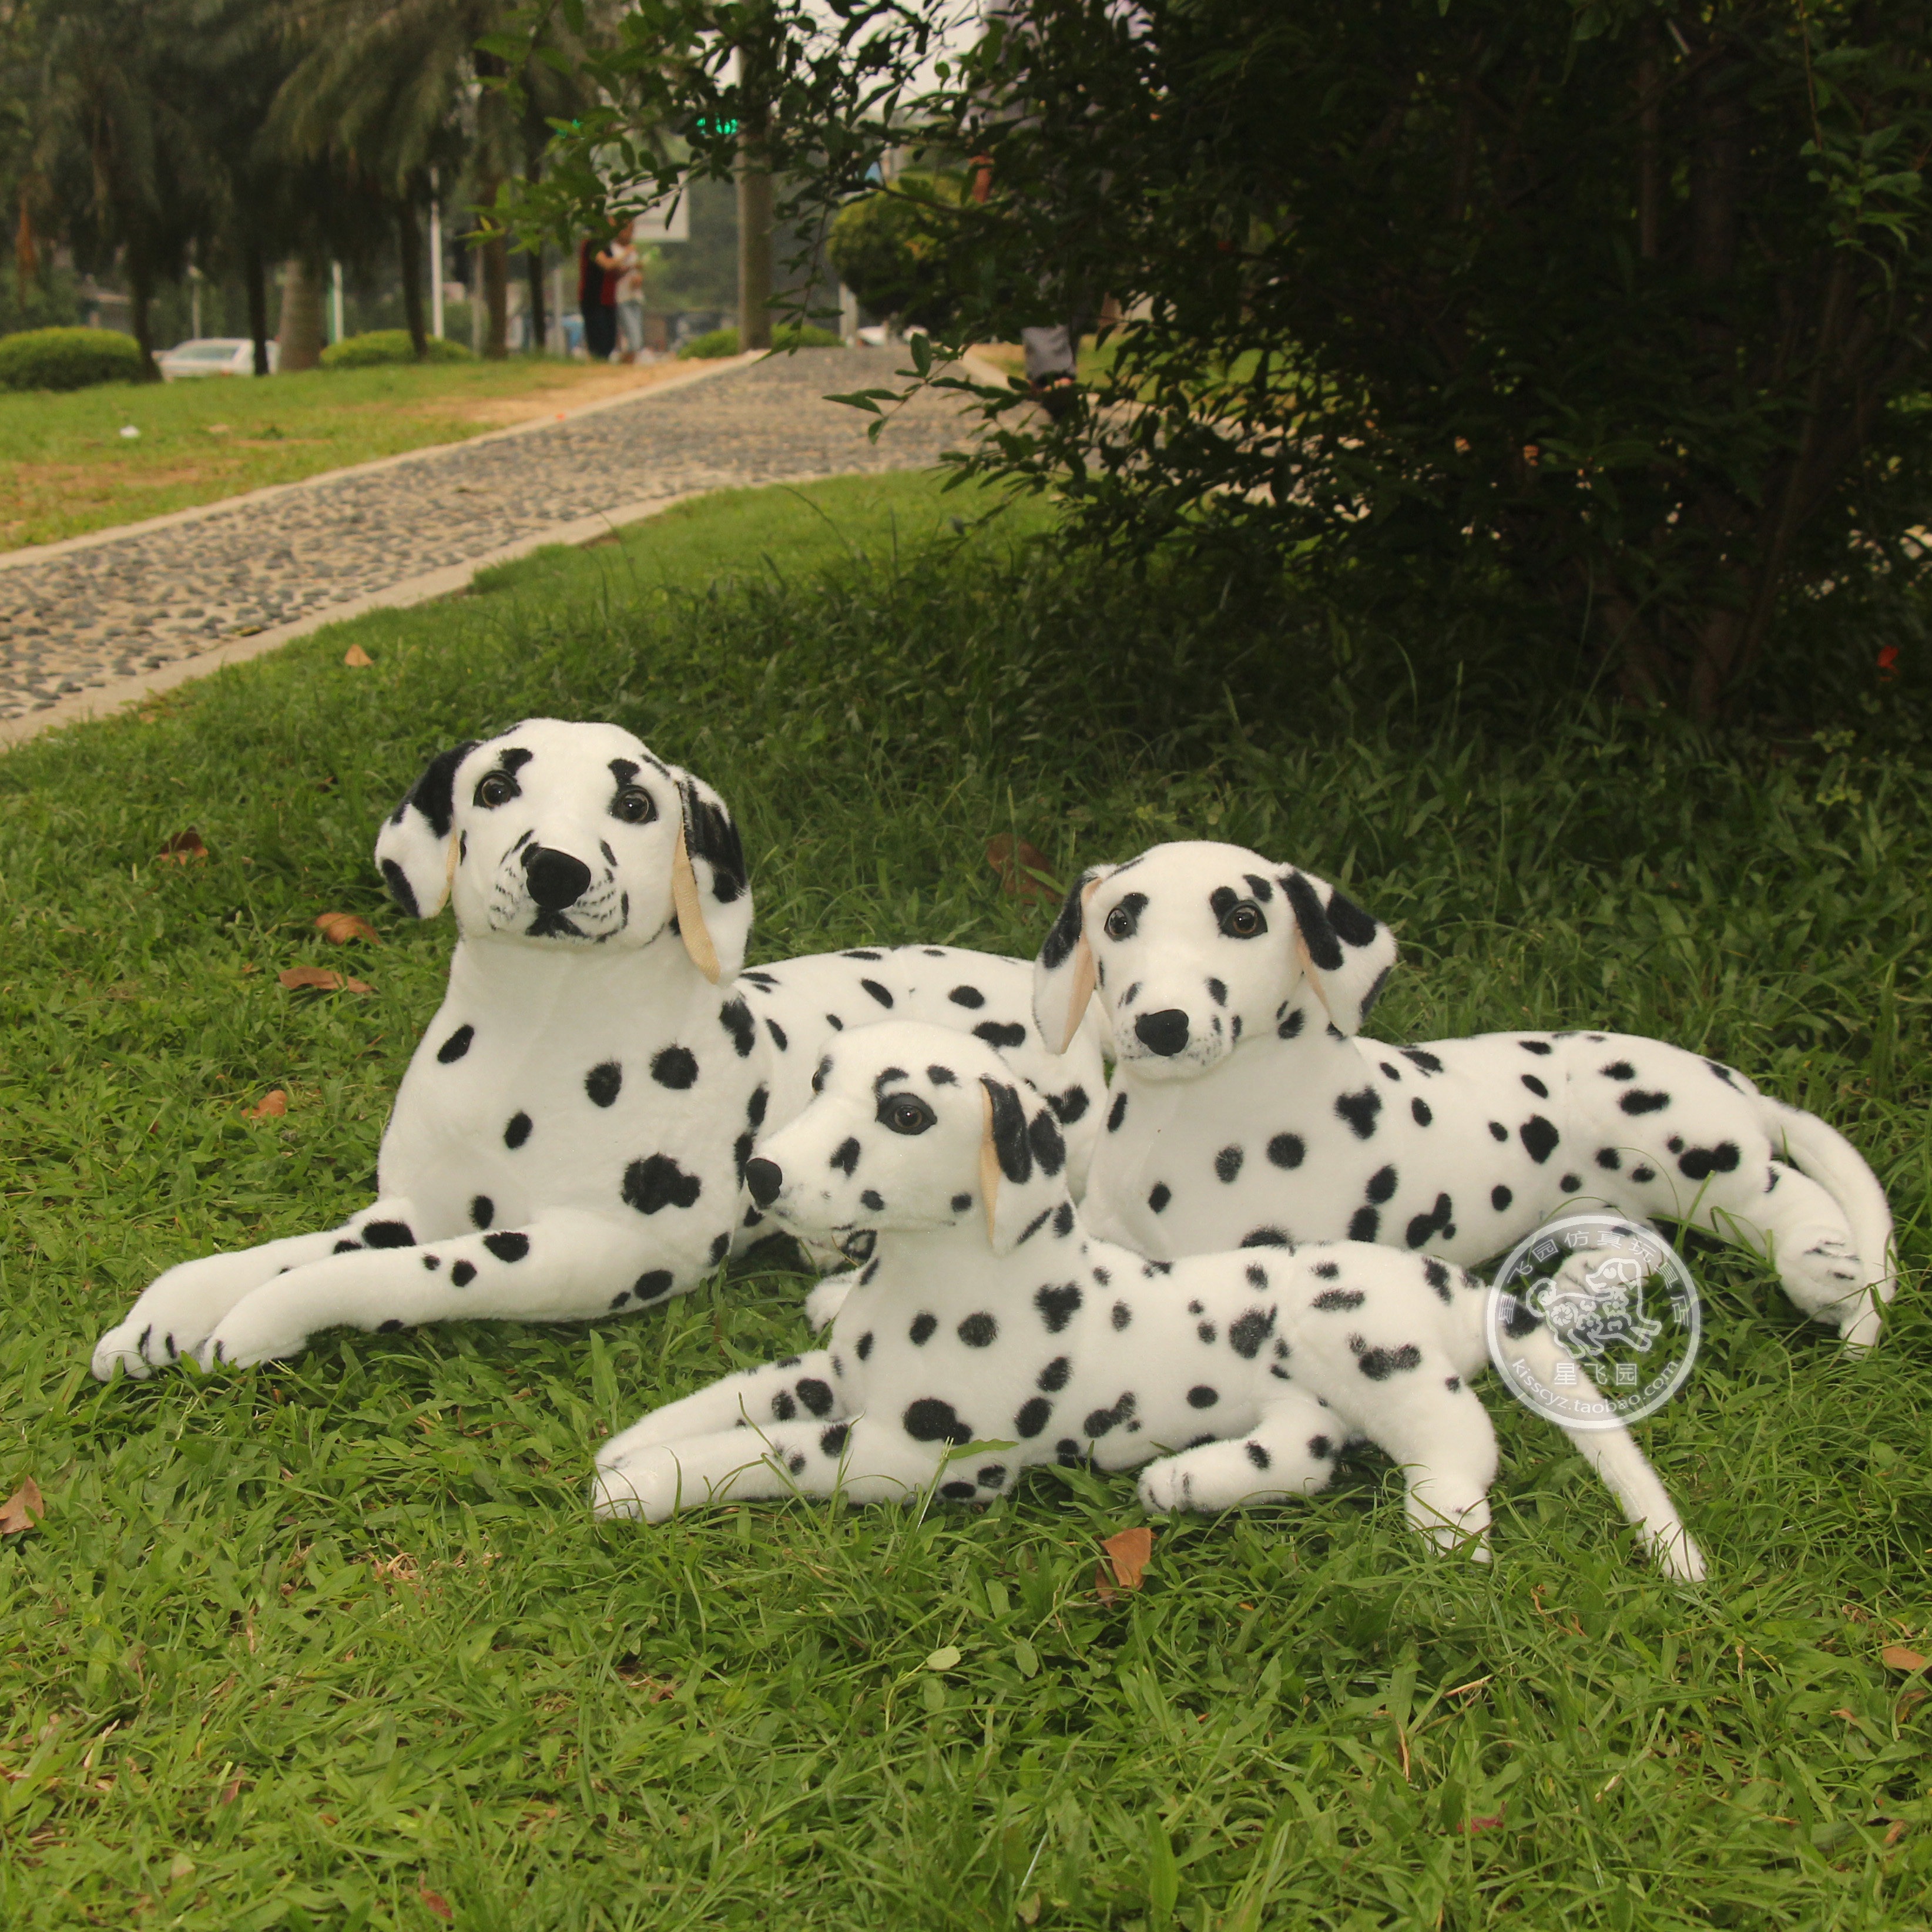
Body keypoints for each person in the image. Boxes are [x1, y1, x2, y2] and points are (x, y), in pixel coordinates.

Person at [578, 225, 621, 361]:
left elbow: (612, 272)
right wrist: (628, 253)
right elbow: (607, 265)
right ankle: (597, 364)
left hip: (608, 299)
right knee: (598, 339)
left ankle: (603, 364)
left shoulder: (606, 247)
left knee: (610, 340)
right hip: (593, 298)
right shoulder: (592, 244)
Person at [611, 219, 646, 363]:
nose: (629, 234)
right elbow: (615, 271)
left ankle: (628, 365)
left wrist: (638, 278)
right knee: (633, 340)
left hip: (635, 296)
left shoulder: (632, 250)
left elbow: (635, 271)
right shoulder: (614, 250)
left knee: (638, 339)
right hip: (621, 297)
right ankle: (622, 365)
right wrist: (627, 254)